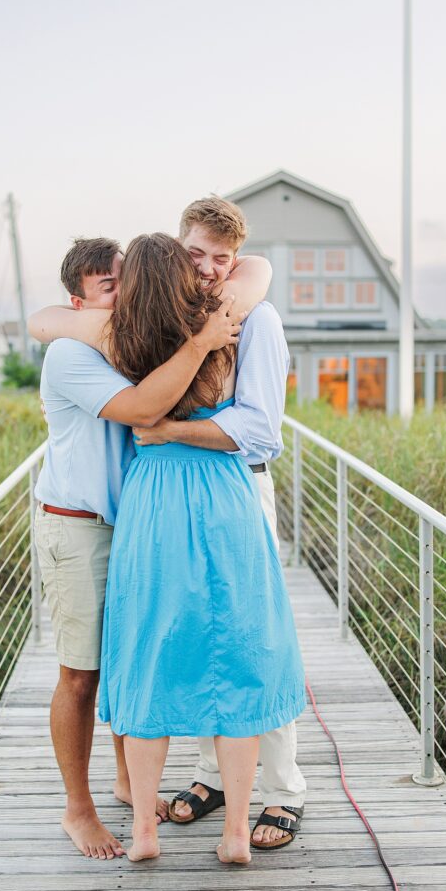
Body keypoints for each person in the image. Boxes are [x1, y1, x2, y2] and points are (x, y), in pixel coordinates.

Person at [32, 232, 306, 865]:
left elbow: (257, 267)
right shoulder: (81, 349)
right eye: (109, 286)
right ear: (82, 301)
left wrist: (204, 333)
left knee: (155, 652)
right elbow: (142, 409)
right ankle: (82, 808)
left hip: (147, 510)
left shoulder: (145, 333)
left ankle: (143, 792)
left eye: (129, 280)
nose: (123, 292)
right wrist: (205, 341)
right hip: (84, 520)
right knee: (87, 671)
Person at [135, 198, 307, 850]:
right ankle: (213, 774)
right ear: (178, 248)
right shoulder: (176, 319)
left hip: (241, 491)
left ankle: (283, 789)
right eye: (197, 253)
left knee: (257, 642)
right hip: (180, 500)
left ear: (236, 262)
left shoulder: (255, 318)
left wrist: (170, 430)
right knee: (201, 631)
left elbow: (261, 430)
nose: (208, 269)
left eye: (221, 258)